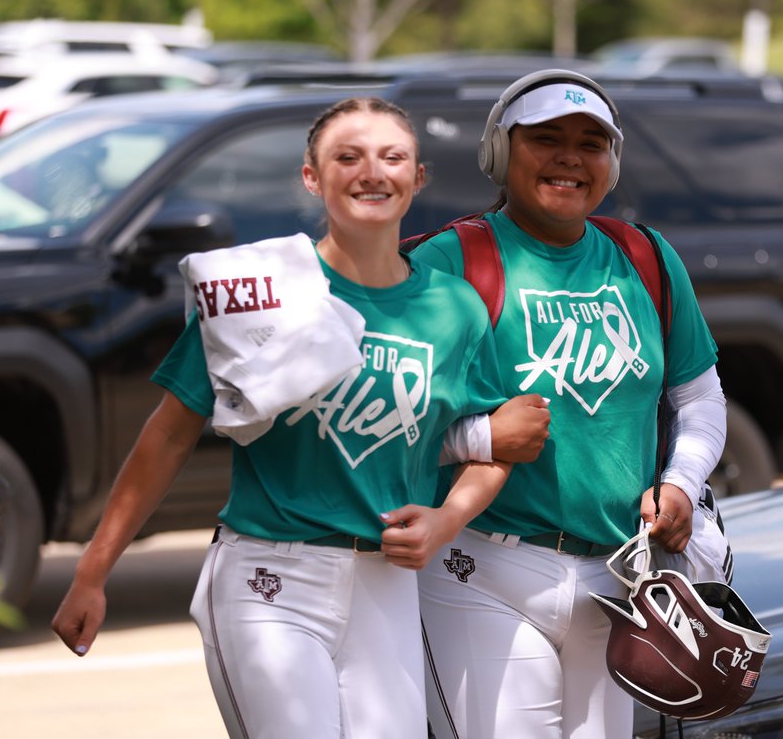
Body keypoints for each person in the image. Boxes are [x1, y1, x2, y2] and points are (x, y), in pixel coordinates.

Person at [51, 97, 528, 739]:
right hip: (268, 580)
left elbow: (493, 447)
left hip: (386, 584)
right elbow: (168, 434)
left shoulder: (456, 308)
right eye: (347, 157)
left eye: (393, 158)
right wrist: (93, 570)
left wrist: (446, 521)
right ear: (312, 176)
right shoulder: (258, 292)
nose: (372, 173)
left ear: (418, 179)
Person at [410, 70, 730, 738]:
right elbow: (393, 425)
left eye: (591, 143)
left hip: (618, 583)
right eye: (546, 138)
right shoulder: (452, 260)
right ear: (500, 152)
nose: (569, 157)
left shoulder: (643, 256)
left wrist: (679, 482)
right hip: (486, 569)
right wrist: (482, 437)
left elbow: (699, 399)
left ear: (611, 163)